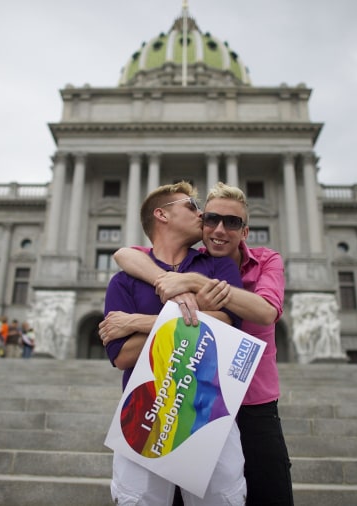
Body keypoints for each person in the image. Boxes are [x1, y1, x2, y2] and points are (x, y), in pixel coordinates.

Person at [107, 182, 294, 505]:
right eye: (203, 213)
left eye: (232, 222)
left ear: (245, 231)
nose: (216, 227)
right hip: (151, 407)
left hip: (231, 406)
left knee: (238, 496)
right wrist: (183, 299)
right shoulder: (129, 274)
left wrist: (143, 321)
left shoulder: (224, 265)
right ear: (162, 215)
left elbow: (237, 322)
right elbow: (122, 354)